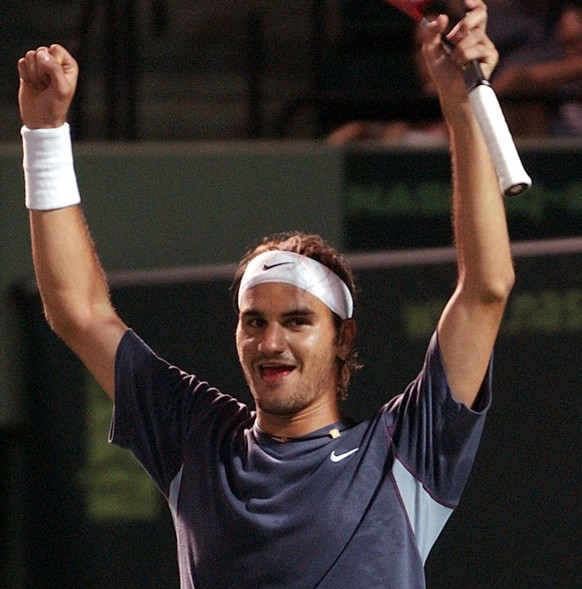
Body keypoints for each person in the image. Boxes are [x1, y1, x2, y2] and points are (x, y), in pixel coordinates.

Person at [17, 0, 514, 587]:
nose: (270, 341)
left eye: (298, 321)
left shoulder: (405, 451)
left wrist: (458, 106)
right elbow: (77, 312)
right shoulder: (196, 438)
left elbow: (486, 287)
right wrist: (44, 133)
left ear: (342, 338)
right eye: (253, 321)